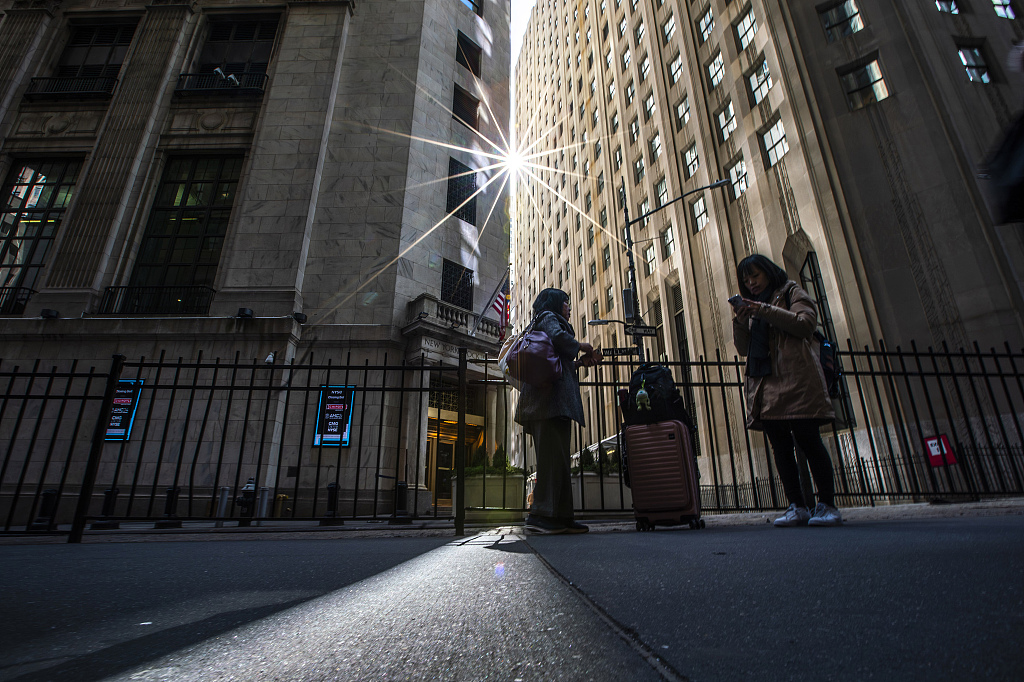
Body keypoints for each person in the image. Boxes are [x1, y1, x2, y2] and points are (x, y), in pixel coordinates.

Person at [731, 254, 842, 527]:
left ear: (767, 272)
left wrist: (763, 310)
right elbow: (743, 349)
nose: (751, 283)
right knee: (780, 447)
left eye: (754, 276)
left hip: (797, 379)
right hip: (765, 383)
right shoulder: (755, 306)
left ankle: (827, 504)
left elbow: (805, 324)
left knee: (808, 440)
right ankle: (797, 505)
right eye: (746, 280)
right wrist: (740, 319)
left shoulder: (790, 291)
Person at [514, 288, 602, 535]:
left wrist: (579, 363)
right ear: (555, 304)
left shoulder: (543, 321)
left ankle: (561, 517)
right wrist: (582, 346)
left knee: (558, 462)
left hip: (551, 405)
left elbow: (555, 362)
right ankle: (543, 517)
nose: (569, 308)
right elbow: (559, 339)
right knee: (553, 462)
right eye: (566, 302)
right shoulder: (548, 318)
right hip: (548, 406)